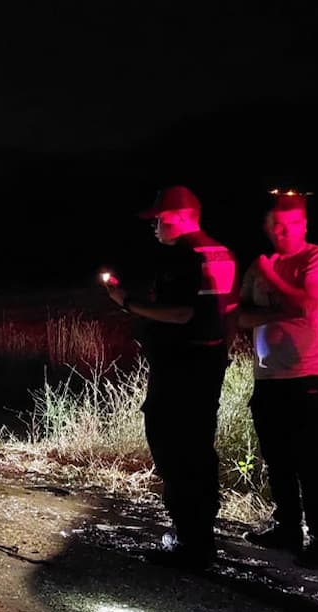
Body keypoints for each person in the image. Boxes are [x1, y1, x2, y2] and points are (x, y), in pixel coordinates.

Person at [105, 185, 237, 569]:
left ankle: (188, 541)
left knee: (173, 447)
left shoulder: (185, 256)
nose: (155, 228)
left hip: (180, 364)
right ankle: (201, 537)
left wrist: (127, 303)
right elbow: (228, 312)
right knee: (198, 447)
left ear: (179, 218)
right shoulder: (222, 253)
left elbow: (181, 313)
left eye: (159, 220)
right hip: (208, 363)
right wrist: (222, 353)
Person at [237, 191, 318, 567]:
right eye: (275, 226)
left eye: (289, 225)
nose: (281, 232)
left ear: (304, 225)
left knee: (310, 461)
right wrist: (277, 309)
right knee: (277, 458)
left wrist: (269, 279)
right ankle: (287, 527)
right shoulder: (260, 264)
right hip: (268, 376)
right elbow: (242, 315)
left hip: (307, 375)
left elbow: (307, 304)